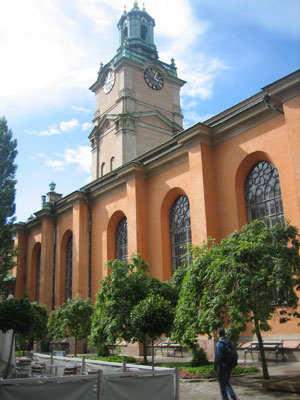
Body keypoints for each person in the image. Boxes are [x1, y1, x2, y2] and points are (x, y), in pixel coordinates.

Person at [214, 328, 238, 400]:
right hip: (230, 365)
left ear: (218, 334)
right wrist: (233, 365)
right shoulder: (231, 342)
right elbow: (235, 354)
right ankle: (233, 397)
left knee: (222, 384)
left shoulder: (219, 344)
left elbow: (218, 357)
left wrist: (215, 367)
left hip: (222, 366)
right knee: (227, 382)